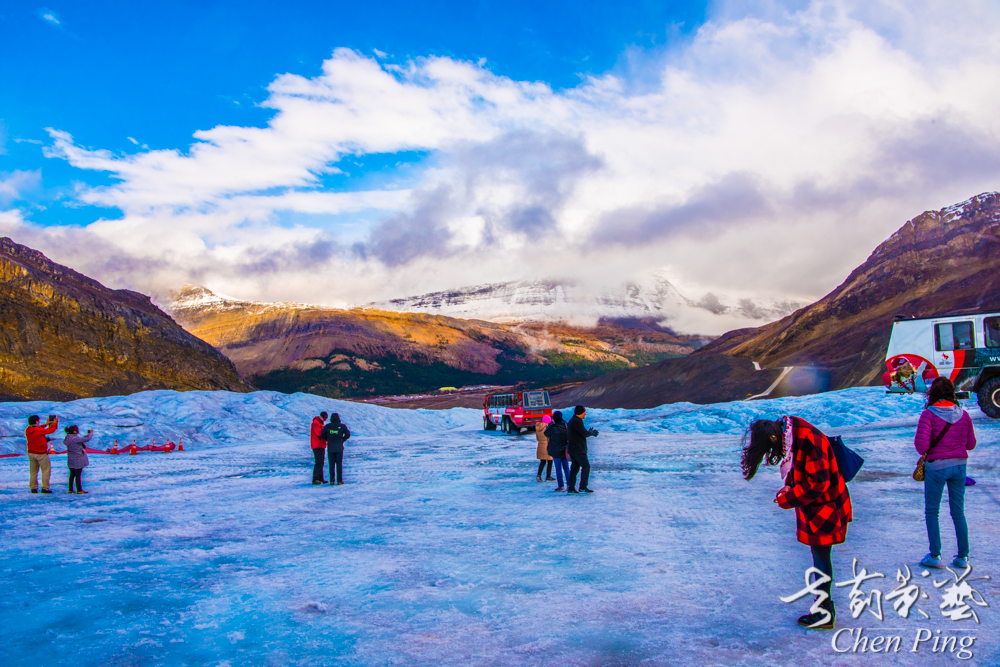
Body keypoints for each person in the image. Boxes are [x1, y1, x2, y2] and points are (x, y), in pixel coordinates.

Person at [741, 416, 852, 630]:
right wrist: (790, 486)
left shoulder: (809, 440)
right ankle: (824, 609)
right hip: (819, 506)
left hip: (826, 508)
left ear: (774, 437)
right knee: (819, 555)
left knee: (821, 556)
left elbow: (818, 484)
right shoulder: (791, 432)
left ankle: (824, 612)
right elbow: (801, 468)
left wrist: (788, 499)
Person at [915, 377, 977, 569]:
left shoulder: (929, 415)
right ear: (952, 393)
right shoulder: (964, 415)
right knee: (958, 512)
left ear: (932, 393)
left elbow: (921, 446)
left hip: (936, 467)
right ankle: (963, 557)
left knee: (932, 511)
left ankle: (935, 556)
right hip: (959, 466)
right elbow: (971, 444)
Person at [567, 405, 598, 494]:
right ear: (580, 412)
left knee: (575, 468)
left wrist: (588, 432)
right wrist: (590, 433)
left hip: (573, 448)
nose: (585, 414)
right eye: (584, 412)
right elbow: (583, 433)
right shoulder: (576, 421)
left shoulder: (573, 421)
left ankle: (571, 488)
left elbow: (580, 433)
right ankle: (582, 487)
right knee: (585, 466)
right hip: (578, 449)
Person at [26, 414, 59, 494]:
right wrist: (54, 423)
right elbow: (51, 430)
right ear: (37, 421)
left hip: (31, 453)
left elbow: (38, 428)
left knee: (33, 472)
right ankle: (45, 488)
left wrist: (46, 424)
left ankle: (33, 488)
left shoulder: (28, 429)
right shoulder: (40, 430)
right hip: (41, 454)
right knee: (45, 471)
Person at [320, 413, 351, 485]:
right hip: (339, 448)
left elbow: (322, 435)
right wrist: (342, 440)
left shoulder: (328, 426)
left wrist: (328, 439)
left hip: (330, 448)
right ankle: (339, 480)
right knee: (339, 464)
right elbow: (348, 434)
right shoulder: (342, 426)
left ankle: (332, 480)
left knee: (331, 465)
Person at [64, 425, 94, 494]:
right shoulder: (75, 439)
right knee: (78, 475)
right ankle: (79, 490)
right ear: (74, 431)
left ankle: (70, 489)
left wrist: (85, 436)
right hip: (78, 459)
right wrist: (91, 433)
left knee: (72, 474)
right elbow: (87, 439)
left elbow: (80, 439)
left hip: (70, 459)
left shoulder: (68, 438)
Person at [545, 411, 570, 492]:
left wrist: (550, 424)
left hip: (555, 450)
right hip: (564, 450)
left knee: (558, 468)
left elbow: (546, 433)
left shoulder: (552, 426)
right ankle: (569, 485)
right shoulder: (565, 425)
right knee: (566, 468)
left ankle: (561, 486)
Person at [534, 415, 554, 482]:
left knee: (542, 462)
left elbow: (537, 438)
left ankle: (539, 475)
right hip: (548, 446)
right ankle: (548, 476)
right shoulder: (548, 427)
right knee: (550, 461)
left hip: (541, 447)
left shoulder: (538, 428)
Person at [310, 412, 328, 485]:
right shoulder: (316, 423)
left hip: (321, 445)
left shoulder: (320, 423)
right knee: (319, 462)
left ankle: (320, 478)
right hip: (317, 445)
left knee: (321, 462)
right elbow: (319, 433)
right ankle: (315, 479)